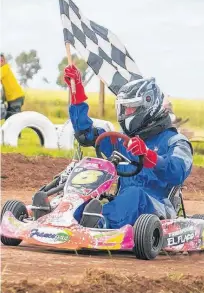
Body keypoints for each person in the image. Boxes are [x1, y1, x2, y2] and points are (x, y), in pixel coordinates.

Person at [63, 64, 193, 229]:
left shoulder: (175, 141)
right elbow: (85, 133)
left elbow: (177, 171)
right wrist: (77, 94)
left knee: (134, 195)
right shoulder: (123, 141)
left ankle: (101, 224)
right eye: (124, 108)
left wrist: (148, 155)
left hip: (157, 209)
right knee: (87, 189)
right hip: (123, 205)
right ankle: (64, 215)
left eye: (131, 108)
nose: (126, 113)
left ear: (148, 106)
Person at [0, 54, 25, 120]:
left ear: (4, 61)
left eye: (2, 60)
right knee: (9, 119)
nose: (1, 61)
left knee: (14, 119)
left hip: (16, 97)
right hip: (13, 98)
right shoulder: (4, 69)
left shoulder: (4, 68)